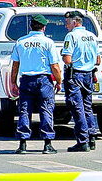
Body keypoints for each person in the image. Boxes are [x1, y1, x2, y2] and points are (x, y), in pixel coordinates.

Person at [9, 14, 63, 154]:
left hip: (26, 80)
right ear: (44, 27)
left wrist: (13, 82)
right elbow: (55, 66)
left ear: (31, 26)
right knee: (46, 110)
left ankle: (22, 144)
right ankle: (47, 144)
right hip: (43, 80)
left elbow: (15, 65)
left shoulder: (20, 42)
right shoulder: (48, 43)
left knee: (24, 111)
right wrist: (58, 81)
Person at [61, 10, 101, 152]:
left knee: (77, 108)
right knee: (87, 107)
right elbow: (98, 60)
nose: (66, 26)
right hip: (88, 75)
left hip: (75, 75)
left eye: (67, 23)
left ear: (74, 22)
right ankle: (91, 137)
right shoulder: (92, 36)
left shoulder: (71, 36)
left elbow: (67, 58)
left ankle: (82, 140)